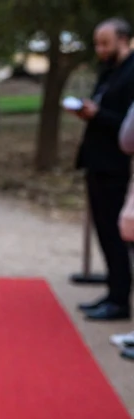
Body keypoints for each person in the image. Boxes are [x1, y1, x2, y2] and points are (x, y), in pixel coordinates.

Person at [75, 17, 134, 321]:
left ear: (123, 40)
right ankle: (113, 291)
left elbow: (128, 123)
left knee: (116, 233)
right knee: (105, 231)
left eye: (105, 43)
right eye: (97, 44)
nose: (100, 50)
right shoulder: (109, 71)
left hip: (118, 164)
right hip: (97, 160)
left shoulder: (131, 72)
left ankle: (120, 299)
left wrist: (99, 115)